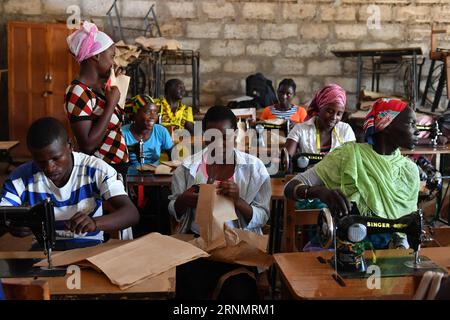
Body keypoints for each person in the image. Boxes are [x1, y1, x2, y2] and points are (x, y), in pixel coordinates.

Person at [284, 98, 420, 249]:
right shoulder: (349, 155)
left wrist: (403, 246)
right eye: (411, 124)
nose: (418, 131)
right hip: (345, 247)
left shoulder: (410, 170)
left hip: (389, 251)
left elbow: (409, 226)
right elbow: (290, 187)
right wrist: (319, 192)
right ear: (386, 125)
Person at [169, 106, 271, 299]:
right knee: (186, 286)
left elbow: (263, 216)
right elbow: (174, 209)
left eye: (224, 137)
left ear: (235, 135)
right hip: (197, 245)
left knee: (238, 293)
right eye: (211, 138)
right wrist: (183, 201)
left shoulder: (254, 169)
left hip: (238, 247)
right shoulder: (188, 167)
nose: (218, 144)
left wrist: (238, 201)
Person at [0, 117, 139, 251]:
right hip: (42, 249)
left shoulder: (96, 170)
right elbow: (3, 214)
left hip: (89, 247)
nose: (49, 167)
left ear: (70, 146)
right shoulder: (20, 178)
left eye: (56, 158)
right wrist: (11, 225)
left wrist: (95, 223)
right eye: (41, 162)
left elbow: (131, 214)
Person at [64, 21, 129, 177]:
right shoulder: (77, 91)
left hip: (115, 169)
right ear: (96, 56)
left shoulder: (98, 90)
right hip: (98, 173)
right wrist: (111, 104)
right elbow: (87, 144)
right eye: (112, 56)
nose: (113, 62)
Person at [285, 83, 356, 156]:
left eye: (339, 114)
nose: (334, 117)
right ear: (319, 108)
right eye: (329, 111)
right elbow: (286, 159)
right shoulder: (300, 130)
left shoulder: (345, 130)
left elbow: (352, 160)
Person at [122, 94, 174, 167]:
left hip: (156, 176)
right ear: (135, 114)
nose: (153, 116)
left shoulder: (161, 131)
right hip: (130, 176)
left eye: (155, 112)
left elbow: (173, 156)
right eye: (147, 112)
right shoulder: (122, 133)